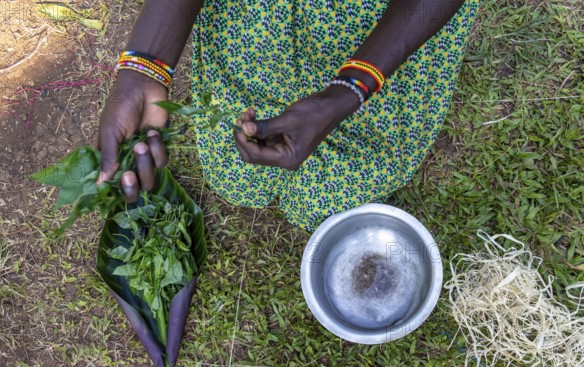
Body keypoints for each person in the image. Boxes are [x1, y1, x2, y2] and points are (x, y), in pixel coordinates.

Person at [97, 0, 480, 232]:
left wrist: (350, 90)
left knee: (328, 195)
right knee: (237, 175)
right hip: (264, 17)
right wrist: (145, 66)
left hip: (385, 23)